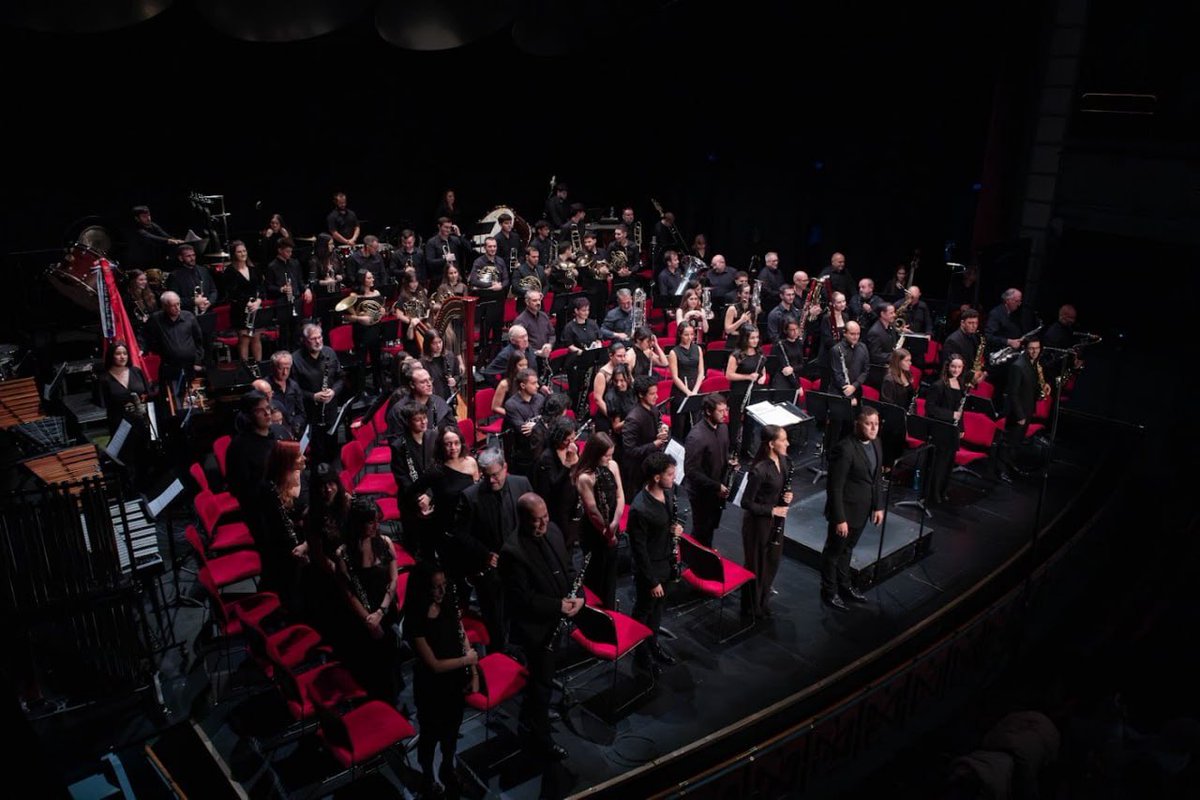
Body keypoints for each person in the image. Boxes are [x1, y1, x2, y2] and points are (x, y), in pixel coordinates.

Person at [500, 493, 580, 761]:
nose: (543, 524)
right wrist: (558, 605)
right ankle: (541, 739)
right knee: (542, 684)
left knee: (543, 681)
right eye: (536, 520)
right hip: (536, 630)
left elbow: (567, 567)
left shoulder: (553, 529)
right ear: (523, 520)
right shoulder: (513, 553)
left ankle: (530, 717)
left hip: (557, 616)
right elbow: (522, 600)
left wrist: (576, 596)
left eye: (545, 517)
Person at [404, 560, 476, 799]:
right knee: (430, 734)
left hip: (454, 682)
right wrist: (467, 662)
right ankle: (427, 776)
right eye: (436, 587)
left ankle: (448, 768)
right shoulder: (415, 620)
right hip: (431, 688)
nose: (442, 591)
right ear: (423, 589)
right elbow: (433, 665)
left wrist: (472, 670)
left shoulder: (447, 603)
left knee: (451, 731)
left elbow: (461, 633)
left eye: (444, 584)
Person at [453, 448, 533, 653]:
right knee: (495, 621)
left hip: (519, 565)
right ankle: (498, 658)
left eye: (495, 475)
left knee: (522, 613)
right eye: (486, 476)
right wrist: (485, 554)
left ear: (505, 468)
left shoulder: (521, 483)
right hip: (490, 571)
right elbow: (461, 535)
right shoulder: (469, 497)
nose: (491, 481)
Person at [335, 496, 401, 702]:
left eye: (376, 520)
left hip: (385, 608)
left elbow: (393, 578)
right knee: (372, 667)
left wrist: (381, 612)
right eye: (370, 521)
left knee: (391, 659)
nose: (376, 525)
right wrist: (369, 620)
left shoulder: (384, 543)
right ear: (358, 523)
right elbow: (348, 593)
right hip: (363, 616)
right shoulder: (344, 554)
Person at [821, 407, 884, 611]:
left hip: (862, 511)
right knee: (834, 552)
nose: (874, 428)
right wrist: (839, 518)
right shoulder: (845, 448)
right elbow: (835, 487)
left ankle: (844, 586)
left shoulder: (876, 443)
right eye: (869, 423)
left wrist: (878, 506)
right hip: (845, 513)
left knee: (848, 550)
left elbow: (876, 479)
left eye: (876, 423)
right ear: (858, 424)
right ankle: (829, 592)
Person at [626, 452, 682, 675]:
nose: (674, 477)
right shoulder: (640, 508)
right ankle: (641, 655)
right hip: (650, 570)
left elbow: (666, 524)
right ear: (657, 477)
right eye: (670, 474)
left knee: (658, 611)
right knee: (644, 612)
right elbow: (639, 551)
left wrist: (674, 530)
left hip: (665, 561)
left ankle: (653, 644)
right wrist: (652, 581)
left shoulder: (668, 494)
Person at [740, 424, 793, 619]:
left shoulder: (784, 461)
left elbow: (782, 488)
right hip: (758, 525)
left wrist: (787, 496)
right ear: (771, 444)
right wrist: (772, 510)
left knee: (772, 562)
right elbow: (746, 503)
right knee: (757, 565)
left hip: (775, 521)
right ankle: (750, 607)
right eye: (783, 440)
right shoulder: (759, 470)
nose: (787, 443)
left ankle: (763, 601)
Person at [251, 441, 308, 613]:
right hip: (284, 547)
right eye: (299, 456)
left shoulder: (304, 475)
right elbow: (278, 528)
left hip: (306, 535)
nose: (304, 458)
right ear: (286, 462)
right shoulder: (269, 489)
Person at [573, 432, 625, 610]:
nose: (610, 458)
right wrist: (606, 532)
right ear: (595, 453)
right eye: (606, 455)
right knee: (596, 573)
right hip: (595, 531)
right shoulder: (585, 477)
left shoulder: (613, 465)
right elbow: (592, 511)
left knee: (610, 573)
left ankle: (609, 608)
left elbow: (620, 496)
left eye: (611, 454)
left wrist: (614, 524)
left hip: (611, 525)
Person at [98, 341, 154, 484]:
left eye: (125, 353)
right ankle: (129, 489)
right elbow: (103, 403)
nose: (122, 357)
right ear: (111, 356)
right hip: (119, 423)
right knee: (125, 459)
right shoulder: (104, 379)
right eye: (118, 354)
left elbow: (147, 393)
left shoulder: (136, 371)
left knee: (144, 456)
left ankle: (145, 486)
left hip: (140, 421)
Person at [683, 393, 733, 548]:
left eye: (726, 410)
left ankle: (706, 552)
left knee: (711, 526)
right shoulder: (696, 436)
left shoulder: (723, 428)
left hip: (717, 489)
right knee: (701, 529)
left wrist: (730, 462)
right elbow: (691, 471)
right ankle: (695, 558)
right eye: (721, 411)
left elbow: (723, 453)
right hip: (702, 492)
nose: (725, 415)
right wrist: (715, 486)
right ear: (708, 412)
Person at [426, 424, 480, 563]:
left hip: (470, 519)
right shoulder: (436, 469)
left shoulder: (471, 462)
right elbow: (416, 489)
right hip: (448, 523)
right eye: (448, 444)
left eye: (456, 443)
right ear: (441, 446)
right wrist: (425, 498)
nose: (453, 448)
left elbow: (477, 489)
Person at [290, 324, 344, 461]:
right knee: (317, 455)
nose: (318, 341)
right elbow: (293, 391)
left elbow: (340, 379)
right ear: (304, 340)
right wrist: (313, 396)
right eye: (313, 339)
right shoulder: (295, 360)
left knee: (333, 453)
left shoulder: (329, 353)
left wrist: (334, 391)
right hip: (310, 415)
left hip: (330, 412)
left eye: (319, 337)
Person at [390, 402, 437, 554]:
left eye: (425, 417)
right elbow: (402, 477)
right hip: (411, 500)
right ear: (408, 422)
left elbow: (439, 468)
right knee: (414, 546)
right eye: (418, 419)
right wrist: (419, 499)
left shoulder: (434, 436)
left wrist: (429, 495)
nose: (424, 422)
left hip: (433, 495)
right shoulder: (399, 445)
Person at [532, 417, 580, 551]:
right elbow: (553, 487)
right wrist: (567, 466)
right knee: (562, 542)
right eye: (567, 440)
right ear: (558, 438)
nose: (571, 442)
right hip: (557, 507)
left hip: (571, 501)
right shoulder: (547, 457)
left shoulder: (572, 448)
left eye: (573, 438)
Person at [145, 290, 204, 397]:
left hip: (189, 366)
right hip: (169, 367)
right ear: (164, 307)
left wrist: (197, 360)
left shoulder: (189, 316)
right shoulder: (156, 319)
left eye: (178, 304)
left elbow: (198, 340)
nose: (177, 308)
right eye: (173, 306)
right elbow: (147, 338)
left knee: (190, 396)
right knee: (169, 398)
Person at [925, 354, 967, 504]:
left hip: (953, 430)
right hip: (940, 428)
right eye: (953, 366)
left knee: (949, 463)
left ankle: (942, 491)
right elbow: (930, 408)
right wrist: (951, 415)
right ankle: (933, 493)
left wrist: (961, 427)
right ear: (947, 366)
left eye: (959, 367)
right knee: (939, 463)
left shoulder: (961, 385)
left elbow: (961, 410)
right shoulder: (939, 385)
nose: (956, 370)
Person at [1000, 338, 1043, 483]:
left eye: (1037, 348)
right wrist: (1020, 415)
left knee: (1016, 442)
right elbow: (1013, 393)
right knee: (1010, 443)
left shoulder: (1034, 363)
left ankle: (1011, 467)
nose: (1034, 351)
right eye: (1031, 348)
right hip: (1018, 413)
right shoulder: (1018, 366)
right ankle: (1002, 471)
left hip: (1027, 409)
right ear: (1026, 348)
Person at [621, 374, 670, 493]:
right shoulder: (633, 419)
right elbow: (630, 451)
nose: (657, 397)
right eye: (652, 394)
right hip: (638, 471)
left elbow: (658, 421)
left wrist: (662, 427)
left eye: (656, 393)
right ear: (641, 395)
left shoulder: (653, 408)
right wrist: (655, 444)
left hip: (651, 463)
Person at [725, 328, 768, 457]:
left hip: (754, 391)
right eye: (752, 338)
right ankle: (732, 449)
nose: (755, 340)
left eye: (757, 337)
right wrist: (748, 377)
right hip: (738, 392)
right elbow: (729, 375)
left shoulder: (759, 353)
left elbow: (762, 369)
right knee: (735, 422)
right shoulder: (737, 355)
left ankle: (746, 450)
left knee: (750, 422)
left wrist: (763, 377)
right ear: (745, 339)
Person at [344, 270, 389, 394]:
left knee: (377, 360)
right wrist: (359, 318)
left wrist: (382, 312)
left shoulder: (377, 293)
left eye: (372, 277)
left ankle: (378, 386)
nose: (372, 279)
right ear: (363, 280)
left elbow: (380, 310)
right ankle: (361, 389)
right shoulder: (354, 296)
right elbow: (346, 317)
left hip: (375, 330)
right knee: (361, 362)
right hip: (361, 331)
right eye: (369, 278)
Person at [222, 241, 264, 365]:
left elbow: (261, 287)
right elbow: (230, 293)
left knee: (256, 338)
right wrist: (247, 303)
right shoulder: (229, 272)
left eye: (244, 251)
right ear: (234, 254)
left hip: (255, 308)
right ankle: (245, 369)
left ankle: (259, 367)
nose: (243, 254)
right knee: (244, 339)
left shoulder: (253, 268)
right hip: (240, 310)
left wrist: (258, 301)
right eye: (239, 252)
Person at [266, 238, 310, 348]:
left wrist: (306, 289)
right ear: (280, 250)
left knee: (297, 332)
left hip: (296, 301)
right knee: (284, 333)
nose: (290, 254)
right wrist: (281, 289)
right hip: (282, 302)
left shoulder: (295, 263)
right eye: (287, 251)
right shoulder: (272, 266)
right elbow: (268, 287)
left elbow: (300, 281)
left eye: (291, 251)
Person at [503, 368, 546, 476]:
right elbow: (523, 430)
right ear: (523, 386)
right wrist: (541, 426)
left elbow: (549, 420)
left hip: (542, 447)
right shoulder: (511, 404)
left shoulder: (540, 398)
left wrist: (536, 427)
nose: (537, 386)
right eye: (533, 383)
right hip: (524, 452)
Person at [469, 236, 509, 349]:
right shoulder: (479, 262)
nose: (492, 249)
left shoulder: (500, 261)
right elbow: (474, 280)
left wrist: (501, 285)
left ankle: (496, 353)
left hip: (499, 299)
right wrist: (491, 286)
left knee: (498, 330)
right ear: (485, 248)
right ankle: (483, 355)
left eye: (494, 246)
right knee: (485, 332)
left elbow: (506, 279)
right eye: (490, 246)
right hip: (485, 301)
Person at [668, 321, 704, 441]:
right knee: (680, 426)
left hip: (695, 389)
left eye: (691, 334)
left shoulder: (698, 349)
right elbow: (675, 377)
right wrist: (688, 392)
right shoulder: (674, 352)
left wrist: (694, 391)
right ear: (680, 335)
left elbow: (701, 373)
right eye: (686, 335)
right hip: (680, 392)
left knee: (695, 424)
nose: (690, 338)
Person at [165, 244, 218, 316]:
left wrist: (209, 302)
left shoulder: (203, 270)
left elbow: (213, 290)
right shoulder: (174, 276)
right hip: (188, 315)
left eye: (193, 255)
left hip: (207, 312)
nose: (192, 258)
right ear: (181, 258)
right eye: (188, 256)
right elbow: (173, 300)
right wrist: (193, 301)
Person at [267, 350, 306, 441]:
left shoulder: (294, 386)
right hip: (273, 433)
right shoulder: (266, 386)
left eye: (288, 368)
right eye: (281, 368)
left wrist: (296, 425)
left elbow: (301, 413)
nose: (285, 373)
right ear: (273, 367)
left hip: (292, 431)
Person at [420, 330, 464, 402]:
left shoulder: (450, 356)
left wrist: (455, 380)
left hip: (449, 396)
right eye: (434, 343)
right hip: (434, 399)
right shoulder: (423, 362)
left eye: (440, 342)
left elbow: (458, 375)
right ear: (428, 344)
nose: (438, 346)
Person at [723, 282, 757, 348]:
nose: (748, 296)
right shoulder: (732, 309)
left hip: (747, 342)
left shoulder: (753, 309)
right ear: (739, 294)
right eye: (746, 293)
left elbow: (755, 328)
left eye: (749, 293)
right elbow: (727, 330)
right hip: (734, 342)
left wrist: (750, 324)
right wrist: (741, 321)